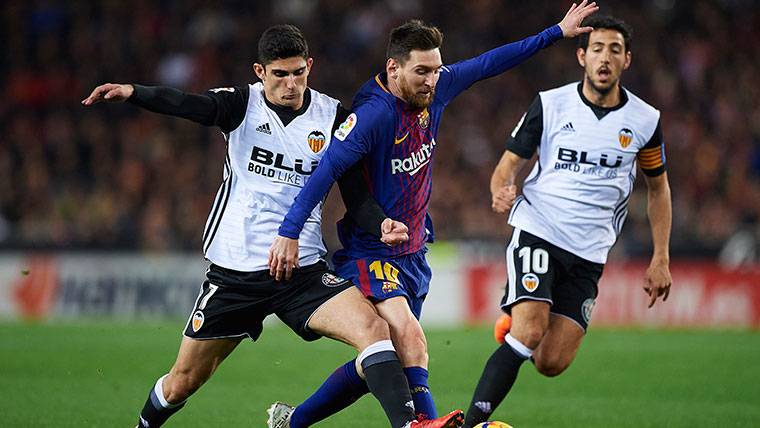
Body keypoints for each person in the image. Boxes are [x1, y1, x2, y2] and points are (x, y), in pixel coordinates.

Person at [82, 24, 464, 428]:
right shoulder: (240, 105)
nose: (291, 84)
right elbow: (186, 104)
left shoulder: (333, 115)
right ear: (260, 72)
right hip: (236, 272)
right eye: (280, 74)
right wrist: (133, 92)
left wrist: (381, 222)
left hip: (302, 270)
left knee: (376, 329)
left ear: (309, 67)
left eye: (299, 72)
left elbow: (356, 194)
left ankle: (411, 425)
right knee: (182, 383)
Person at [267, 2, 599, 426]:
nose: (432, 80)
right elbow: (326, 171)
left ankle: (291, 422)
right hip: (372, 252)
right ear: (393, 68)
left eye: (437, 69)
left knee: (382, 361)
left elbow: (488, 63)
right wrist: (289, 232)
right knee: (410, 340)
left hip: (414, 253)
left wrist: (555, 31)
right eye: (421, 71)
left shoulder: (436, 88)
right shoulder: (371, 115)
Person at [461, 15, 673, 427]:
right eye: (597, 49)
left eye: (614, 49)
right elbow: (507, 166)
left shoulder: (645, 121)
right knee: (529, 334)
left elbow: (659, 188)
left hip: (590, 250)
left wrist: (660, 256)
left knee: (551, 362)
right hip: (539, 229)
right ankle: (472, 424)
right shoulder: (551, 104)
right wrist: (500, 189)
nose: (605, 57)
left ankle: (514, 317)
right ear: (582, 56)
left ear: (627, 60)